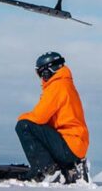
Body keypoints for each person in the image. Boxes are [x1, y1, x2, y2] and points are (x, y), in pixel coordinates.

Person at [15, 52, 89, 183]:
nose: (41, 78)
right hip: (74, 145)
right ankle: (66, 169)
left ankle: (47, 170)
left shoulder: (57, 86)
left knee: (24, 126)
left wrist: (21, 118)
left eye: (40, 73)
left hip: (69, 145)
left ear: (47, 71)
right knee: (37, 127)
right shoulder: (65, 84)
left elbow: (39, 117)